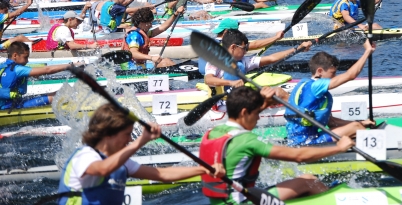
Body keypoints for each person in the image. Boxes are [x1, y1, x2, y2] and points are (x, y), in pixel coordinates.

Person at [199, 87, 353, 204]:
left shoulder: (215, 131)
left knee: (307, 178)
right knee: (309, 182)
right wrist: (338, 147)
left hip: (222, 201)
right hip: (243, 202)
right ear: (244, 112)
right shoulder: (248, 140)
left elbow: (246, 117)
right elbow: (299, 156)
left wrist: (262, 103)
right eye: (257, 113)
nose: (259, 118)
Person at [58, 103, 224, 205]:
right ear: (108, 134)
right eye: (127, 134)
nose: (130, 139)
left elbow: (163, 174)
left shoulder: (120, 162)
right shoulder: (85, 155)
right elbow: (101, 170)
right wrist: (142, 140)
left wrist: (203, 169)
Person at [285, 40, 376, 146]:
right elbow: (350, 75)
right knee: (356, 128)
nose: (335, 77)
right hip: (305, 143)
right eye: (332, 73)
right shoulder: (315, 85)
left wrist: (363, 123)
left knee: (356, 127)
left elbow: (331, 122)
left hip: (309, 137)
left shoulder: (308, 85)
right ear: (319, 71)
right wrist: (367, 52)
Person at [204, 29, 310, 100]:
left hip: (238, 100)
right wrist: (231, 83)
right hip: (220, 103)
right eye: (244, 48)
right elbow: (208, 80)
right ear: (233, 47)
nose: (246, 51)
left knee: (277, 92)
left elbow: (271, 58)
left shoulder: (244, 60)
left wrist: (297, 49)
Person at [0, 42, 84, 110]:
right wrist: (70, 66)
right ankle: (81, 109)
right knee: (54, 97)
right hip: (10, 106)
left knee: (56, 94)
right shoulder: (18, 69)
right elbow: (47, 70)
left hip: (9, 102)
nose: (27, 60)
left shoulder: (3, 66)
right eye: (25, 57)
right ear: (15, 56)